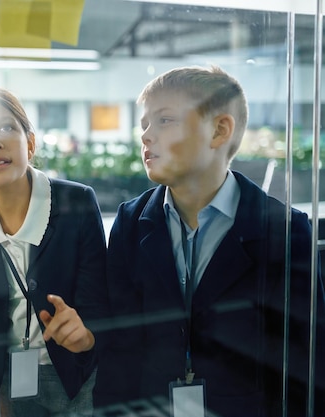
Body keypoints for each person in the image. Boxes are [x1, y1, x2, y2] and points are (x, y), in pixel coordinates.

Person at [94, 65, 325, 417]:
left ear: (219, 130)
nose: (146, 136)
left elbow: (307, 360)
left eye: (164, 120)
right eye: (144, 125)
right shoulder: (131, 221)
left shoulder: (285, 230)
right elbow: (119, 347)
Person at [0, 87, 108, 417]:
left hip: (76, 371)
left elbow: (98, 297)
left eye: (7, 128)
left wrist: (87, 335)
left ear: (31, 143)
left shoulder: (75, 202)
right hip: (9, 375)